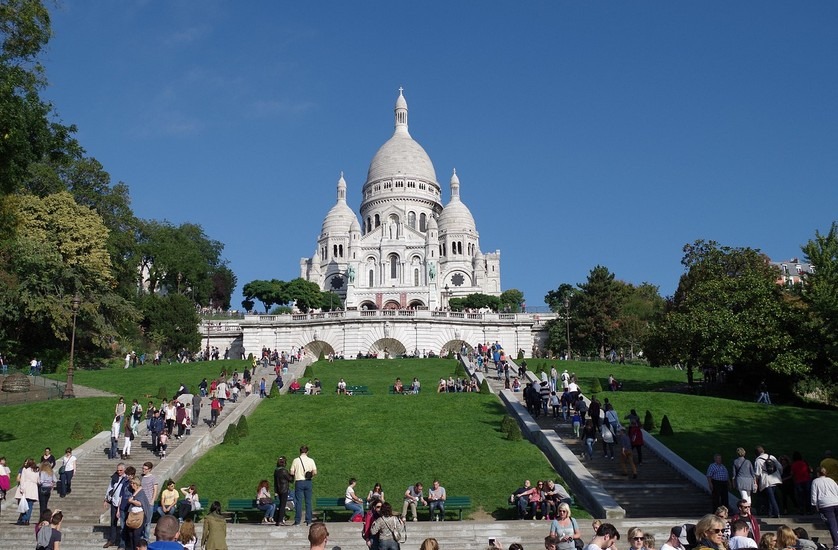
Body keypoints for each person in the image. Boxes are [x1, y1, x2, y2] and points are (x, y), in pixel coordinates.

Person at [810, 466, 838, 550]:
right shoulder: (831, 480)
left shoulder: (815, 481)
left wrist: (814, 504)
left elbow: (814, 494)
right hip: (836, 502)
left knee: (832, 525)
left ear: (818, 473)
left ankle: (836, 544)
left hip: (825, 505)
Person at [290, 445, 317, 526]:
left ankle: (297, 521)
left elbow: (291, 472)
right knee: (308, 502)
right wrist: (310, 475)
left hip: (299, 482)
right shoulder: (311, 460)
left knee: (299, 502)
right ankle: (308, 521)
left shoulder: (296, 460)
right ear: (307, 452)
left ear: (300, 451)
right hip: (308, 482)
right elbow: (315, 472)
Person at [124, 475, 151, 550]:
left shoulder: (141, 492)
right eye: (131, 483)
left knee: (136, 535)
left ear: (137, 483)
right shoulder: (133, 492)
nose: (131, 485)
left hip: (139, 515)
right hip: (132, 515)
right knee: (130, 534)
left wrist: (132, 501)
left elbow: (140, 503)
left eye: (133, 483)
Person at [755, 446, 782, 518]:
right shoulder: (771, 457)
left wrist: (756, 482)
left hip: (766, 480)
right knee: (771, 496)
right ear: (763, 450)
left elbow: (757, 473)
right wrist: (779, 475)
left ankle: (777, 512)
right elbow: (779, 467)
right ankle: (770, 513)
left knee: (771, 497)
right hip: (775, 478)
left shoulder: (758, 460)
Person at [16, 458, 38, 525]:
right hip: (33, 488)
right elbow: (38, 480)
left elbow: (22, 480)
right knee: (30, 505)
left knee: (25, 505)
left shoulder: (25, 470)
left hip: (26, 487)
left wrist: (22, 489)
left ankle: (24, 519)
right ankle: (27, 519)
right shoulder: (36, 470)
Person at [273, 456, 293, 526]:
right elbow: (290, 479)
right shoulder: (284, 471)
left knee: (280, 504)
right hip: (284, 489)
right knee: (283, 505)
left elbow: (275, 482)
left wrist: (275, 491)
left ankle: (278, 519)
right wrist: (292, 474)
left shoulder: (276, 471)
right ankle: (280, 520)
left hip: (278, 489)